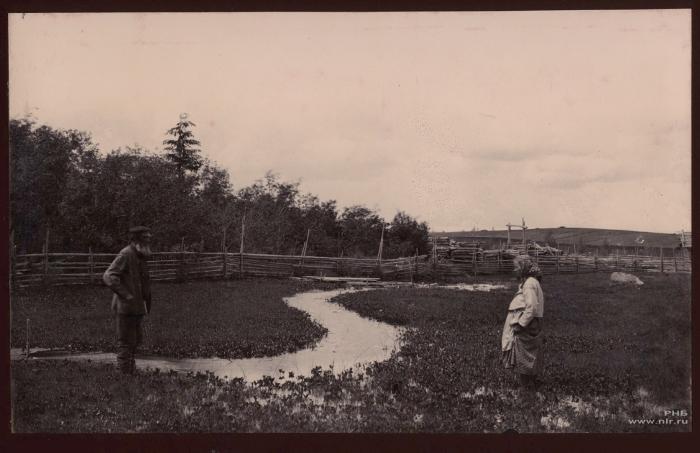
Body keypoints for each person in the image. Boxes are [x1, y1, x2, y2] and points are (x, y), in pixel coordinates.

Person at [103, 226, 153, 374]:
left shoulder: (140, 255)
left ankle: (130, 370)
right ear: (136, 239)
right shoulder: (126, 254)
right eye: (145, 237)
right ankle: (124, 374)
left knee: (135, 340)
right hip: (125, 307)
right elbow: (109, 276)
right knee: (125, 341)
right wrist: (126, 295)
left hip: (137, 307)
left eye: (149, 237)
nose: (148, 240)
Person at [501, 256, 544, 388]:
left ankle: (525, 386)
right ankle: (531, 384)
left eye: (517, 267)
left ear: (523, 268)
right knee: (529, 355)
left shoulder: (529, 284)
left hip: (528, 325)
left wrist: (521, 324)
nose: (515, 270)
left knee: (523, 356)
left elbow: (532, 307)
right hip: (532, 323)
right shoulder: (530, 282)